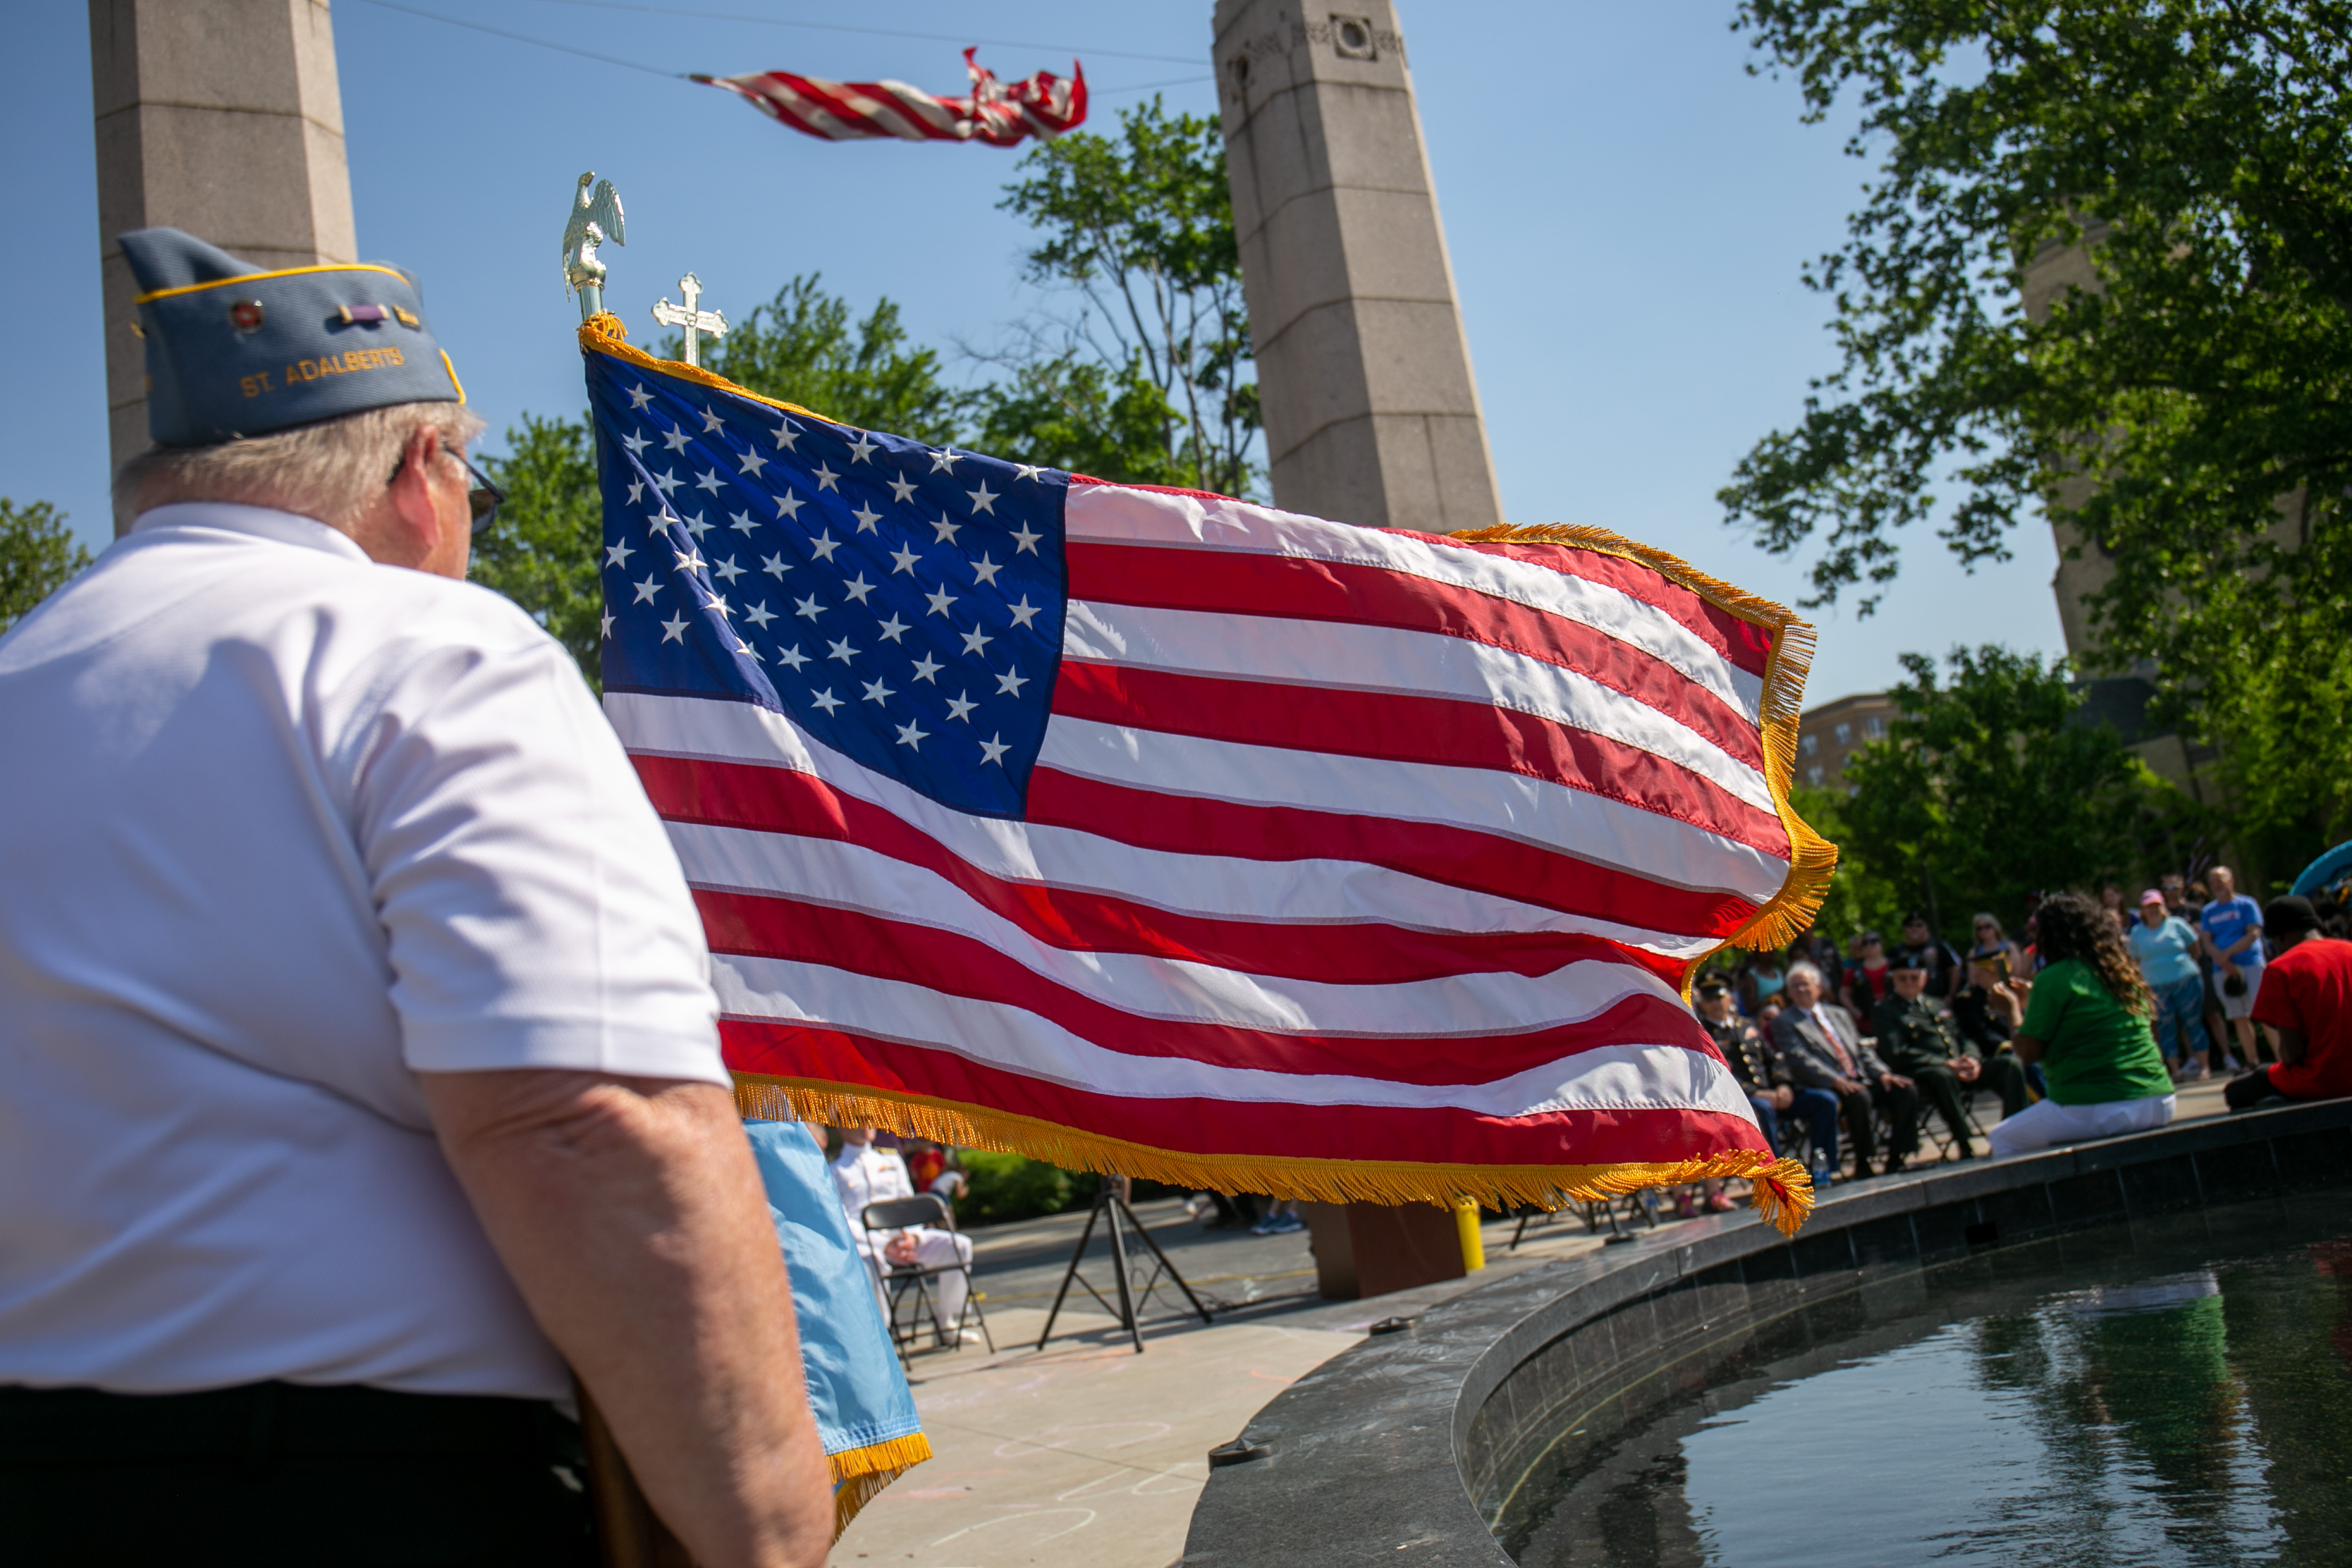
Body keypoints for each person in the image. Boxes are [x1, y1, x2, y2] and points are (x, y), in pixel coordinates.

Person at [0, 230, 830, 1564]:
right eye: (478, 494)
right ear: (418, 472)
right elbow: (587, 1115)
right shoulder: (430, 647)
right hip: (371, 1489)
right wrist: (769, 1529)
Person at [1982, 892, 2177, 1156]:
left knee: (2003, 1139)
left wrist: (2012, 1009)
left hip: (2104, 1104)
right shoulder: (2120, 972)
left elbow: (2027, 1053)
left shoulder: (2053, 978)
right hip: (2160, 1098)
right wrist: (2031, 1000)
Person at [830, 1128, 978, 1348]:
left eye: (869, 1119)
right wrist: (883, 1245)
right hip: (867, 1245)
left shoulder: (891, 1160)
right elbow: (842, 1219)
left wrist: (914, 1237)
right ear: (842, 1127)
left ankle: (947, 1322)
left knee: (959, 1245)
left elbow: (908, 1203)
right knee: (870, 1263)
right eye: (857, 1119)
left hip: (903, 1239)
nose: (865, 1125)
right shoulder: (835, 1170)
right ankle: (882, 1337)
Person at [1770, 962, 1920, 1179]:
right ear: (1789, 992)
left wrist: (1883, 1074)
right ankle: (1864, 1162)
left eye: (1805, 985)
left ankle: (1897, 1157)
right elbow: (1799, 1060)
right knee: (1860, 1097)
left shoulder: (1839, 1014)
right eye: (1795, 986)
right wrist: (1836, 1080)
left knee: (1905, 1091)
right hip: (1825, 1084)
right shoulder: (1785, 1022)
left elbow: (1861, 1050)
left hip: (1859, 1077)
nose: (1801, 990)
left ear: (1819, 987)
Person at [1870, 958, 2031, 1158]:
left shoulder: (1936, 1004)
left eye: (1914, 978)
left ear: (1924, 978)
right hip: (1926, 1072)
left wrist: (1972, 1059)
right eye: (1903, 979)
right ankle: (1965, 1142)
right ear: (1893, 980)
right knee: (1942, 1075)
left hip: (1961, 1068)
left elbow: (1963, 1038)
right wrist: (1946, 1064)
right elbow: (1897, 1052)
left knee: (2010, 1064)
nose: (1909, 983)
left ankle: (2015, 1130)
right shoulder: (1885, 1010)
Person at [1695, 977, 1840, 1178]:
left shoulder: (1747, 1026)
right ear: (1702, 1004)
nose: (1716, 1004)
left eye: (1719, 998)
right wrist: (1757, 1092)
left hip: (1775, 1094)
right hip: (1744, 1101)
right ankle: (1777, 1173)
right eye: (1710, 1000)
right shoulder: (1704, 1035)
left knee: (1825, 1101)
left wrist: (1783, 1085)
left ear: (1729, 1000)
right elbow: (1718, 1075)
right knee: (1762, 1110)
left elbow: (1775, 1059)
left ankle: (1825, 1169)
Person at [2228, 897, 2352, 1110]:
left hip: (2324, 1080)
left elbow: (2292, 1053)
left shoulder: (2281, 969)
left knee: (2236, 1092)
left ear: (2281, 937)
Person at [2127, 888, 2214, 1080]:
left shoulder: (2177, 924)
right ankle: (2175, 1070)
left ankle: (2204, 1067)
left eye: (2157, 906)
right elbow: (2134, 961)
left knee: (2193, 1023)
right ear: (2142, 910)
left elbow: (2195, 948)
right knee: (2166, 1027)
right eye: (2149, 907)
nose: (2153, 910)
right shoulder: (2137, 932)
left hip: (2185, 980)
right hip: (2156, 986)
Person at [2200, 865, 2272, 1067]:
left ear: (2231, 880)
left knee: (2264, 1013)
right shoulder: (2208, 911)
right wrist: (2223, 961)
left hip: (2250, 964)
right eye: (2212, 882)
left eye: (2220, 880)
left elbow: (2253, 934)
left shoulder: (2246, 905)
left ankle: (2282, 1058)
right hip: (2222, 970)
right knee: (2239, 1017)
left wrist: (2227, 954)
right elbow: (2206, 941)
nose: (2216, 885)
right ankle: (2252, 1061)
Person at [1891, 911, 1963, 1001]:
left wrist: (1951, 996)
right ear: (1905, 929)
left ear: (1926, 928)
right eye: (1910, 925)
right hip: (1905, 1002)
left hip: (1937, 1000)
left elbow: (1954, 969)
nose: (1915, 929)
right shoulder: (1897, 951)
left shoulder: (1938, 947)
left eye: (1919, 925)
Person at [1843, 930, 1895, 1016]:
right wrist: (1853, 1009)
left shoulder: (1896, 968)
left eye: (1874, 941)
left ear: (1881, 945)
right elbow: (1844, 994)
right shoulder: (1853, 972)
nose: (1869, 945)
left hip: (1893, 1018)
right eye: (1865, 943)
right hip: (1865, 1022)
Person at [1738, 949, 1787, 1017]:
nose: (1773, 953)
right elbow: (1749, 1008)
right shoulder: (1752, 976)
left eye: (1775, 951)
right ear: (1758, 954)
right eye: (1769, 951)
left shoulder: (1779, 972)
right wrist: (1770, 1000)